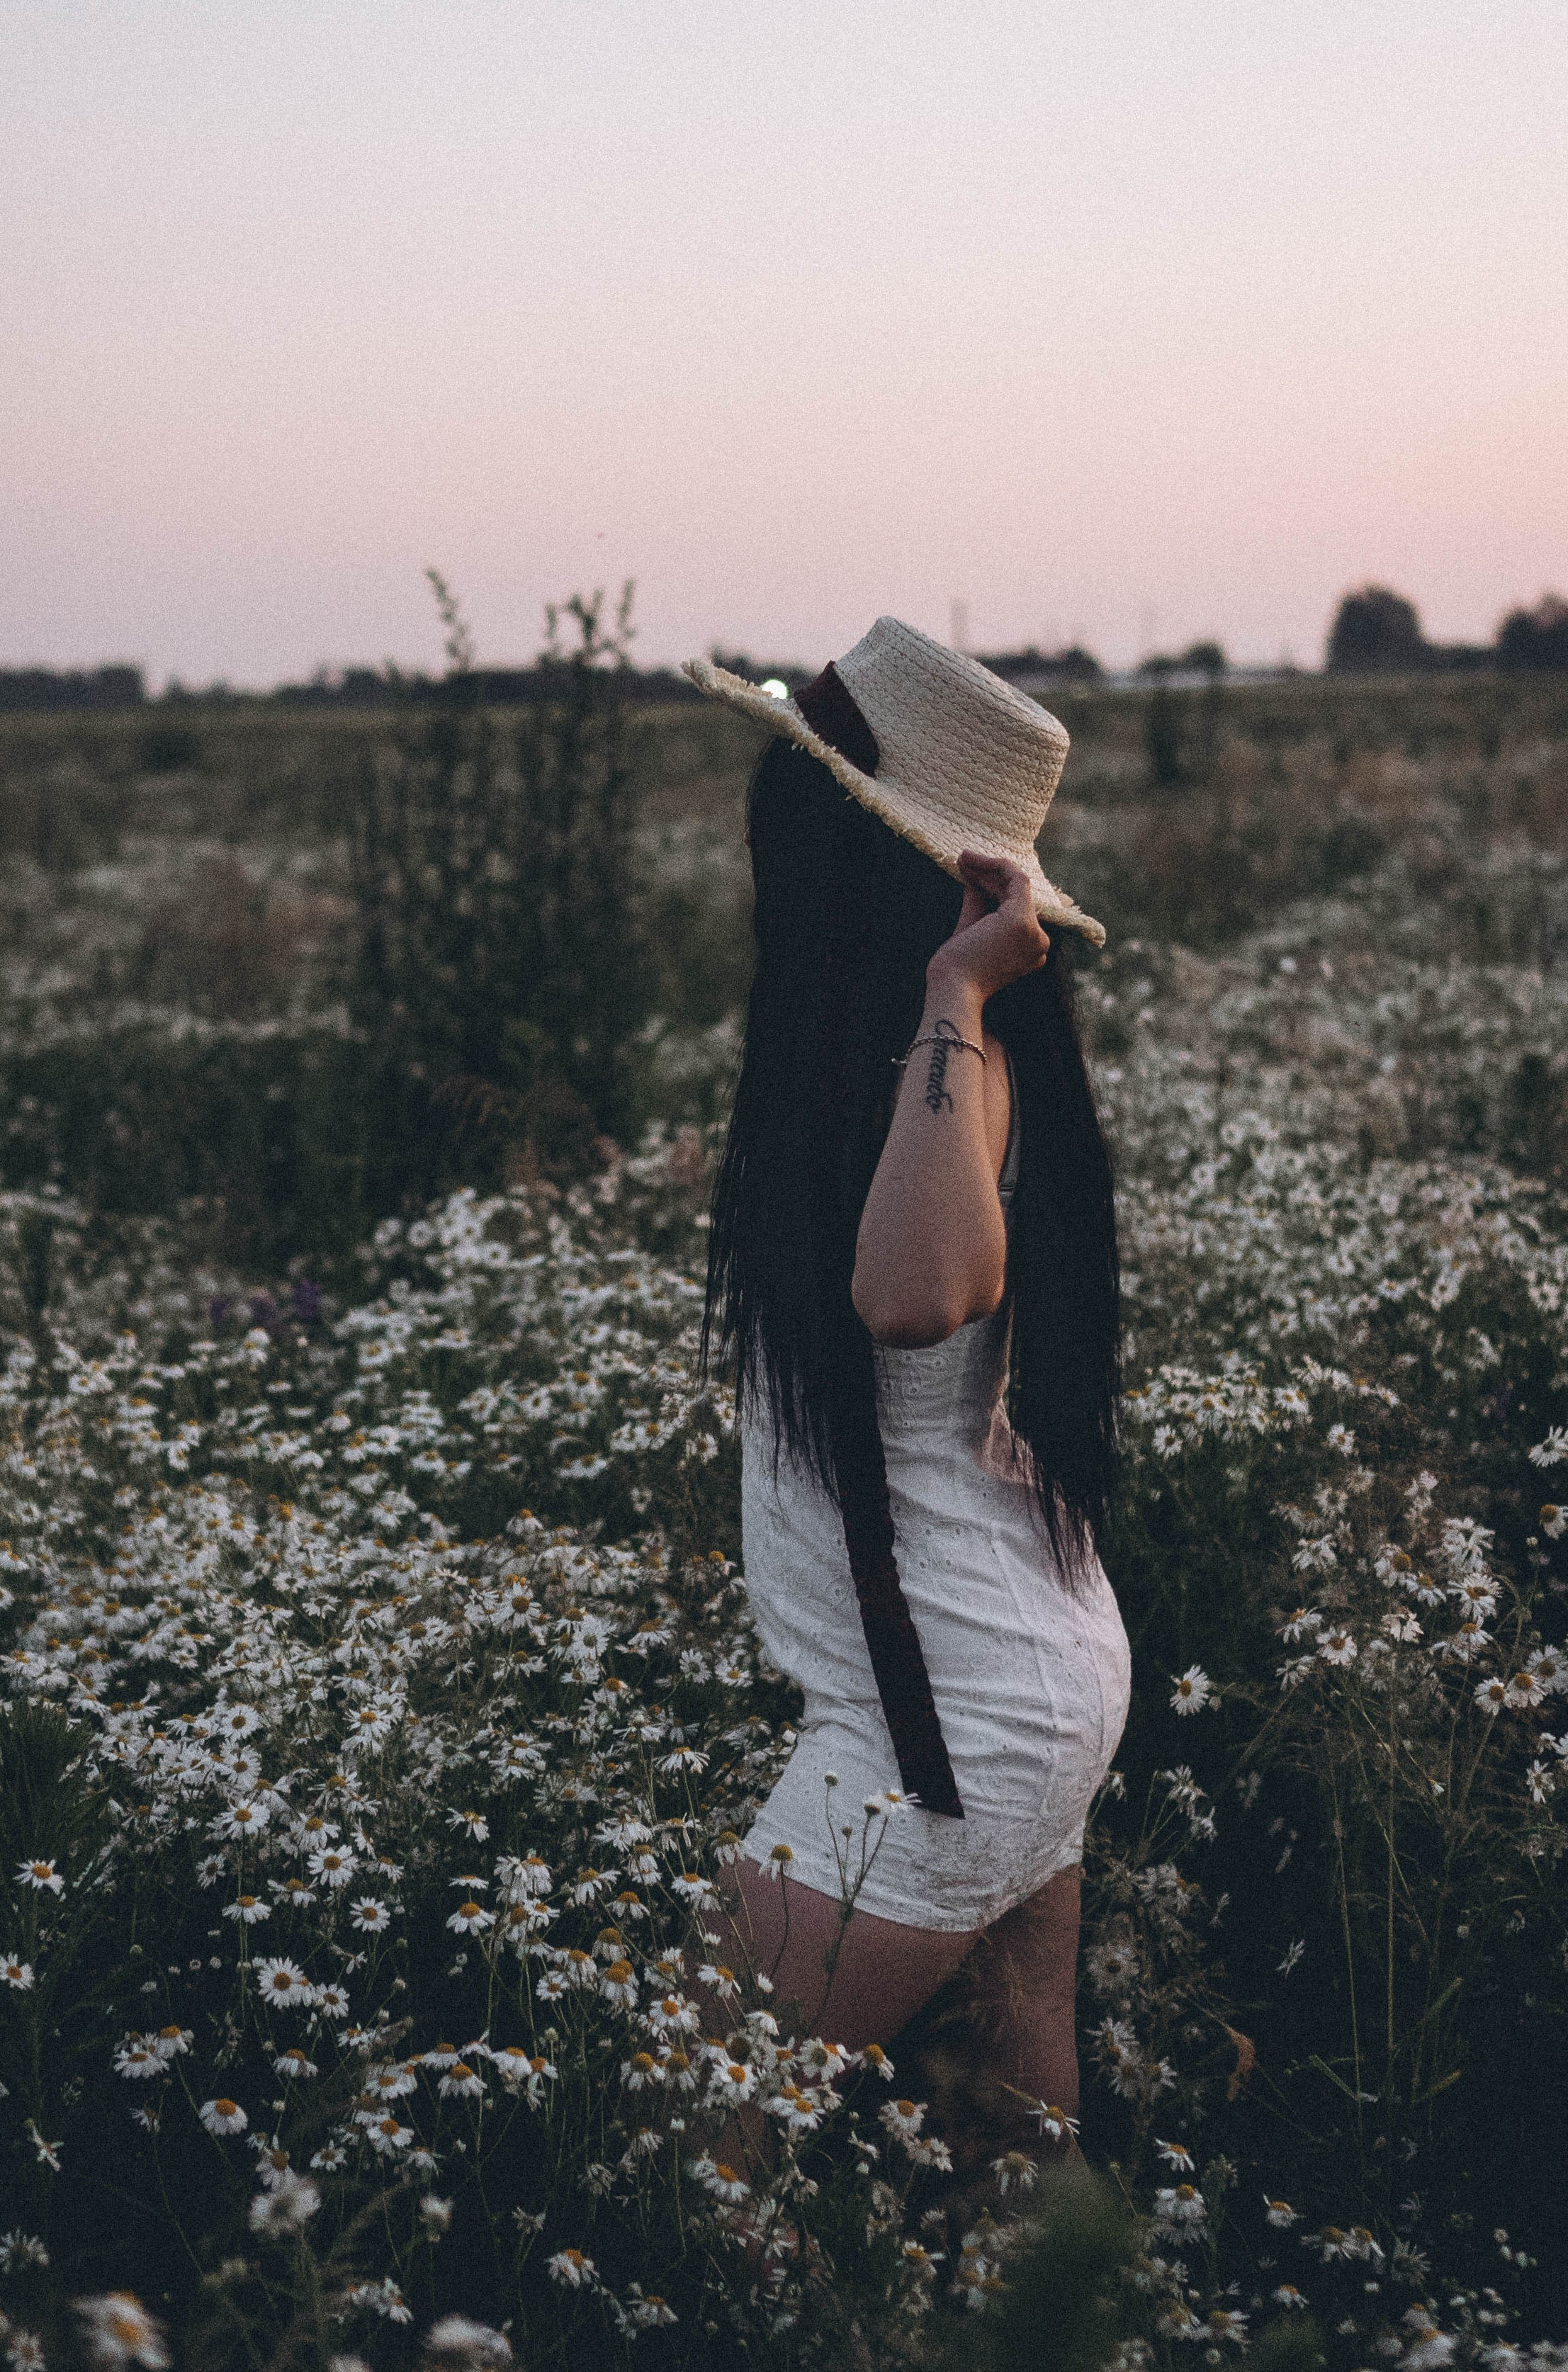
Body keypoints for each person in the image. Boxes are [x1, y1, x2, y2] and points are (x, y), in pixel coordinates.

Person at [687, 616, 1129, 2156]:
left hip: (942, 1730)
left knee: (681, 2140)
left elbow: (909, 1295)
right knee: (1000, 2153)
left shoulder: (959, 1054)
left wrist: (954, 991)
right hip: (1012, 1683)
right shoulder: (891, 1061)